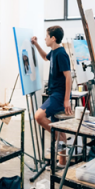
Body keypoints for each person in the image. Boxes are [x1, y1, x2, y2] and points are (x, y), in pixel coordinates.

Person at [31, 26, 72, 168]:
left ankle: (57, 139)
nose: (45, 38)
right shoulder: (54, 52)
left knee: (38, 116)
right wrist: (36, 44)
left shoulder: (61, 54)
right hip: (54, 93)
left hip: (59, 95)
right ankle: (62, 163)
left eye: (46, 36)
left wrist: (66, 99)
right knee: (58, 127)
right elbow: (44, 57)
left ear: (53, 38)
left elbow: (68, 77)